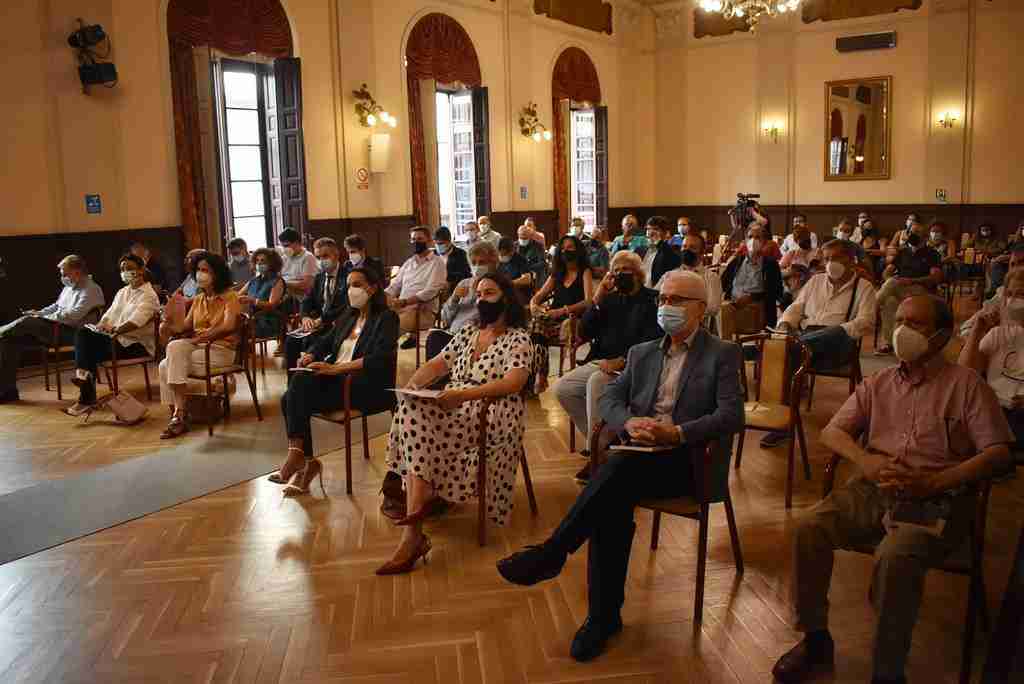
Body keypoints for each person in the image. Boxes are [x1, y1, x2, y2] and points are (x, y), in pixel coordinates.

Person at [496, 271, 744, 662]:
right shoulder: (642, 352)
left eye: (676, 300)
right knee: (612, 495)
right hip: (639, 455)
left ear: (699, 308)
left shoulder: (722, 354)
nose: (665, 307)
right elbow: (611, 396)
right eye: (662, 298)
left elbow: (730, 416)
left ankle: (559, 562)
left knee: (612, 476)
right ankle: (600, 615)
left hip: (689, 460)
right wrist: (628, 422)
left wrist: (675, 433)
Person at [772, 295, 1013, 684]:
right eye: (898, 320)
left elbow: (998, 453)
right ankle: (815, 637)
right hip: (873, 487)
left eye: (915, 324)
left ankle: (888, 669)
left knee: (896, 556)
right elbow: (833, 431)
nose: (902, 331)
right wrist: (866, 461)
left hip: (939, 499)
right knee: (808, 528)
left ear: (941, 336)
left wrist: (935, 481)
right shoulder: (879, 383)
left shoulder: (966, 385)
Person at [379, 272, 534, 575]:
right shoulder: (467, 332)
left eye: (489, 293)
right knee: (411, 410)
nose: (481, 299)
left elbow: (513, 383)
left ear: (505, 297)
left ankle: (414, 526)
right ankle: (415, 523)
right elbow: (439, 363)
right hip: (459, 403)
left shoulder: (519, 338)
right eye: (478, 294)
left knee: (415, 422)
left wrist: (463, 394)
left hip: (495, 410)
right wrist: (413, 384)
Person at [275, 267, 399, 494]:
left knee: (296, 390)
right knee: (290, 396)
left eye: (357, 285)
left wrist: (335, 368)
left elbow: (379, 359)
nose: (351, 290)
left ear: (372, 289)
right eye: (349, 285)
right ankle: (304, 458)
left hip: (366, 385)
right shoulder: (348, 316)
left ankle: (301, 459)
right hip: (338, 381)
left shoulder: (387, 318)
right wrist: (311, 354)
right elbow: (324, 341)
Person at [760, 240, 878, 447]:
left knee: (783, 351)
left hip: (838, 345)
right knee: (790, 350)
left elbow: (867, 322)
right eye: (827, 258)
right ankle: (782, 420)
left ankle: (761, 350)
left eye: (837, 258)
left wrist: (840, 330)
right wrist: (786, 323)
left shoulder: (863, 287)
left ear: (851, 260)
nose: (831, 263)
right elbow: (797, 307)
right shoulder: (816, 281)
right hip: (806, 341)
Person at [554, 250, 661, 475]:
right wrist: (598, 297)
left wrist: (622, 360)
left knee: (596, 382)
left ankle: (596, 456)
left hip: (633, 364)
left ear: (638, 274)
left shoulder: (652, 299)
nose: (620, 274)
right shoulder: (609, 298)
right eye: (616, 270)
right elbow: (585, 330)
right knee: (565, 388)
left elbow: (653, 339)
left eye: (626, 270)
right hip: (602, 360)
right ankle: (604, 446)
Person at [156, 253, 241, 439]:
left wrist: (202, 338)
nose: (200, 274)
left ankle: (179, 415)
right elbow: (183, 327)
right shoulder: (199, 299)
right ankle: (179, 412)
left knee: (170, 359)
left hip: (220, 350)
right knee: (167, 360)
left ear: (217, 274)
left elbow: (229, 326)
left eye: (205, 270)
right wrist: (167, 322)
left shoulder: (230, 296)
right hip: (198, 349)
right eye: (198, 270)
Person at [0, 255, 105, 402]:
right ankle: (7, 392)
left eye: (64, 273)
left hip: (74, 333)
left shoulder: (92, 289)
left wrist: (42, 318)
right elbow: (56, 306)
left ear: (77, 271)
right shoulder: (69, 287)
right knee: (9, 340)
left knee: (27, 321)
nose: (62, 277)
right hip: (55, 329)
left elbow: (73, 316)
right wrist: (39, 313)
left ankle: (2, 329)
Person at [64, 254, 159, 415]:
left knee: (87, 347)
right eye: (122, 269)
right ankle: (85, 391)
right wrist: (100, 327)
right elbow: (108, 316)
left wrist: (114, 330)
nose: (125, 272)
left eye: (129, 268)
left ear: (141, 270)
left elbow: (136, 322)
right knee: (85, 335)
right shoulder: (122, 292)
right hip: (115, 341)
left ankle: (85, 390)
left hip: (135, 345)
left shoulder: (149, 295)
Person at [959, 269, 1024, 461]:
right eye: (1009, 294)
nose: (1013, 301)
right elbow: (965, 373)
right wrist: (978, 330)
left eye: (1021, 295)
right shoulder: (999, 333)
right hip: (994, 409)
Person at [529, 235, 595, 391]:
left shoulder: (584, 272)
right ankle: (540, 376)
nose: (566, 251)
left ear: (578, 250)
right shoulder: (557, 273)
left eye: (570, 247)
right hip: (552, 320)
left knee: (538, 331)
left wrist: (563, 310)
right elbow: (539, 296)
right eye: (563, 248)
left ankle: (539, 377)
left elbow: (588, 301)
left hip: (574, 319)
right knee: (536, 329)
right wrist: (533, 305)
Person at [283, 238, 352, 369]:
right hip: (317, 326)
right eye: (318, 257)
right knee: (291, 341)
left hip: (337, 325)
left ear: (336, 255)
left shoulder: (348, 276)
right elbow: (306, 301)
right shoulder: (319, 278)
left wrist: (321, 320)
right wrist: (305, 317)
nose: (321, 261)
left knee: (317, 344)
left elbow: (346, 306)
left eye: (325, 256)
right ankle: (292, 383)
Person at [875, 221, 943, 355]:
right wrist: (891, 278)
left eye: (917, 233)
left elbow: (936, 278)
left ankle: (872, 307)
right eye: (911, 232)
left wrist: (910, 281)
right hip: (900, 288)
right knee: (889, 302)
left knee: (891, 285)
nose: (912, 235)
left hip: (921, 291)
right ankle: (891, 343)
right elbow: (887, 272)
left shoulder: (932, 253)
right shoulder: (903, 252)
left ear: (925, 236)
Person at [426, 241, 500, 359]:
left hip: (476, 337)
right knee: (434, 337)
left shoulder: (499, 286)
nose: (477, 266)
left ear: (493, 263)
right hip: (453, 334)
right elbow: (445, 318)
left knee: (437, 341)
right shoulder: (464, 283)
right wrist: (454, 299)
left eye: (482, 262)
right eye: (474, 263)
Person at [386, 226, 447, 349]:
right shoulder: (409, 262)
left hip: (422, 310)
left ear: (429, 241)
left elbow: (431, 291)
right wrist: (383, 296)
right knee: (379, 321)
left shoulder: (437, 263)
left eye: (419, 239)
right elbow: (395, 285)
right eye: (413, 239)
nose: (415, 242)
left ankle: (384, 359)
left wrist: (406, 302)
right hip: (401, 307)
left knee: (389, 328)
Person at [721, 221, 785, 332]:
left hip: (758, 309)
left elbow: (777, 292)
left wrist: (753, 297)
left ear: (764, 241)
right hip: (733, 307)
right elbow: (722, 283)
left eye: (757, 237)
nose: (753, 240)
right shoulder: (737, 261)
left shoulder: (770, 264)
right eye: (750, 237)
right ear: (745, 240)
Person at [656, 232, 723, 317]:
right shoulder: (669, 275)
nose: (687, 250)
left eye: (692, 247)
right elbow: (655, 297)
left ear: (702, 252)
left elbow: (713, 308)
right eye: (684, 246)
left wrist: (679, 310)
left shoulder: (711, 278)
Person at [238, 248, 285, 340]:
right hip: (251, 318)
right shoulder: (253, 280)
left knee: (236, 329)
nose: (259, 263)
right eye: (257, 260)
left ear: (272, 263)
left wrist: (253, 301)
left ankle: (242, 353)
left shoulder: (277, 281)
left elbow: (272, 305)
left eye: (263, 261)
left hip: (268, 320)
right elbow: (237, 295)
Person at [277, 228, 319, 302]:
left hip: (301, 299)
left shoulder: (308, 257)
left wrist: (283, 283)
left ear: (297, 243)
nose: (284, 249)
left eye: (286, 245)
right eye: (282, 246)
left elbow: (306, 285)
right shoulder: (283, 258)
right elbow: (277, 278)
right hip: (284, 296)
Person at [640, 216, 682, 288]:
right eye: (648, 229)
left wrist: (659, 243)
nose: (651, 233)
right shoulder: (640, 250)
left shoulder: (671, 250)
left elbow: (674, 262)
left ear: (665, 233)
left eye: (656, 229)